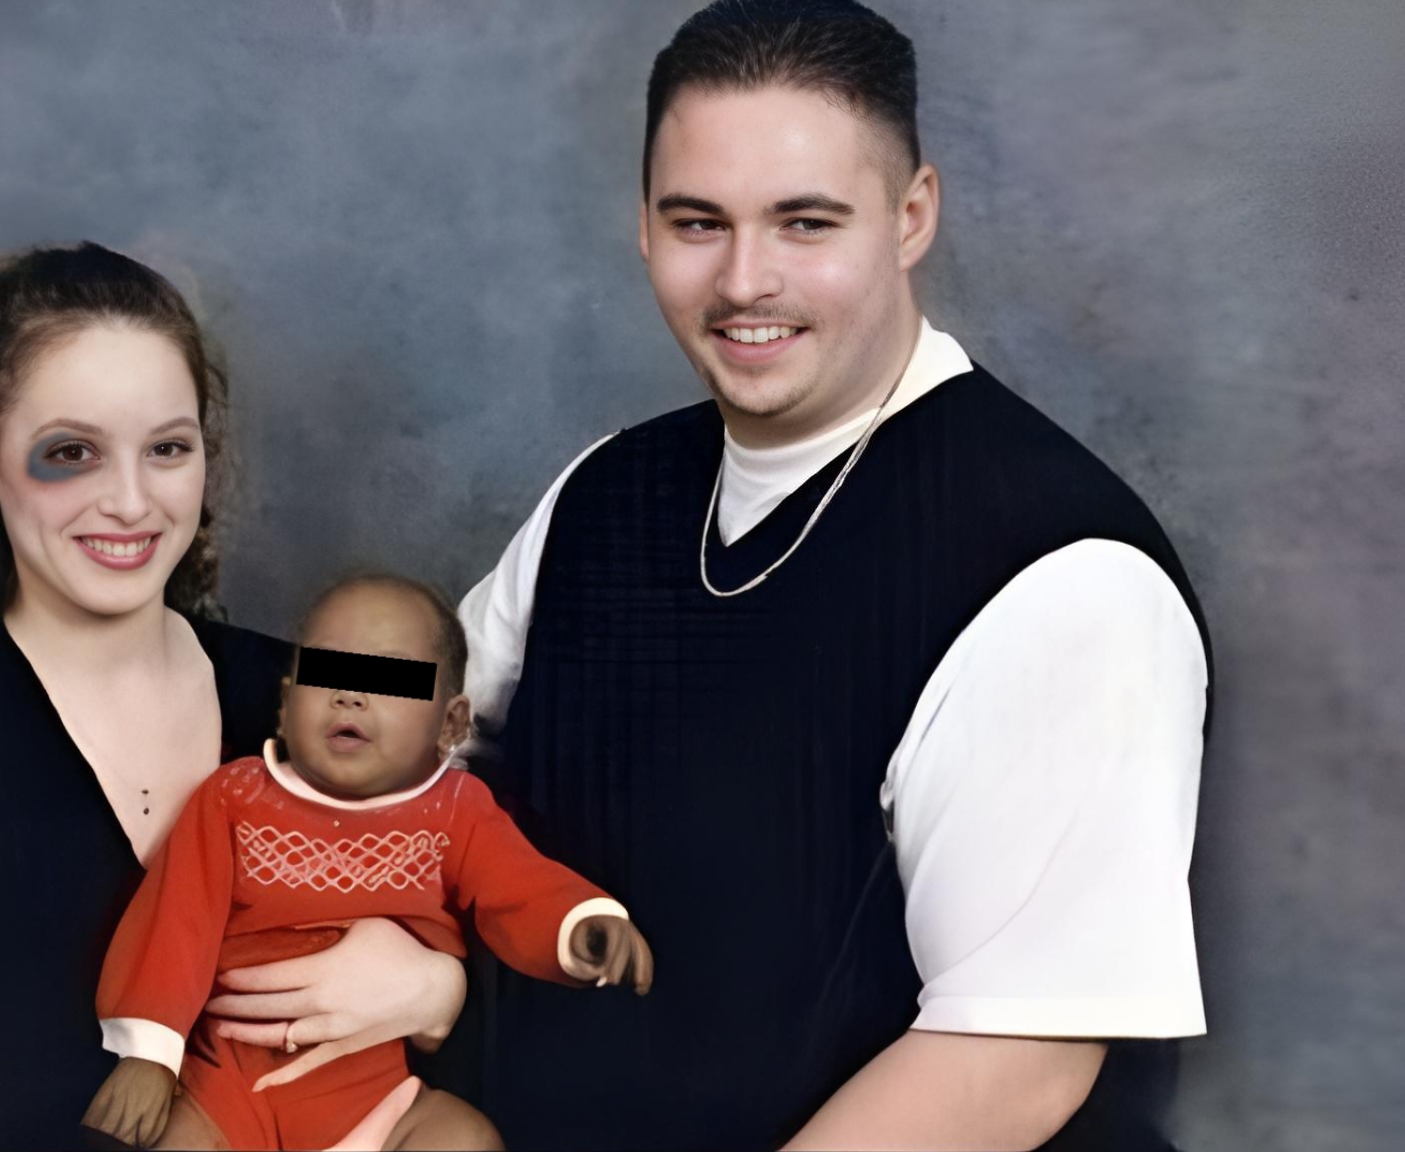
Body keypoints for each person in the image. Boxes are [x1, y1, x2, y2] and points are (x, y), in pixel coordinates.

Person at [446, 2, 1213, 1148]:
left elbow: (1011, 1063)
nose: (743, 280)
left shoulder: (1064, 576)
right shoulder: (601, 492)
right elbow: (415, 765)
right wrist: (395, 959)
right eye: (697, 222)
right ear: (642, 227)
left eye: (804, 222)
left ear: (910, 217)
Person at [0, 244, 466, 1150]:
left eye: (167, 449)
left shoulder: (317, 679)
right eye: (73, 453)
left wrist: (440, 991)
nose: (133, 503)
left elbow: (501, 883)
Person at [82, 574, 652, 1149]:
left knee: (464, 1139)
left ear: (451, 725)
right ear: (285, 704)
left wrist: (579, 923)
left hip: (371, 1098)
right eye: (325, 672)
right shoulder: (235, 796)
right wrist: (149, 1054)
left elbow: (519, 886)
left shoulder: (456, 810)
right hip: (225, 1088)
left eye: (390, 679)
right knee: (163, 1138)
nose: (350, 695)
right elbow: (176, 921)